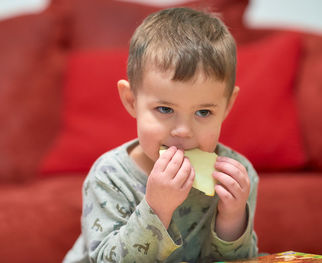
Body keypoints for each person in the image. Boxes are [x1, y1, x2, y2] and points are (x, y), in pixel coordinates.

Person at [64, 7, 259, 263]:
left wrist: (233, 218)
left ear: (227, 106)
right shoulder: (110, 177)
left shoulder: (237, 176)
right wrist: (157, 208)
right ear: (131, 101)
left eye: (203, 112)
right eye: (165, 109)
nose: (183, 131)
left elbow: (242, 260)